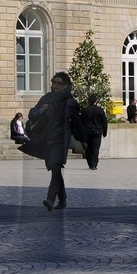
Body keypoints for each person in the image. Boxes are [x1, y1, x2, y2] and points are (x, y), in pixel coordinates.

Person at [21, 71, 83, 211]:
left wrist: (83, 140)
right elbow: (32, 114)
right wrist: (42, 110)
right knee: (55, 169)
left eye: (58, 83)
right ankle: (63, 199)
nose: (55, 85)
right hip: (47, 138)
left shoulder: (70, 102)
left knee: (55, 166)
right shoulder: (46, 98)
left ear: (66, 86)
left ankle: (50, 199)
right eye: (53, 82)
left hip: (61, 139)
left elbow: (77, 123)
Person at [79, 93, 108, 170]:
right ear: (96, 101)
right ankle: (94, 164)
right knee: (95, 148)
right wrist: (105, 132)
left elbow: (80, 122)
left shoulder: (84, 110)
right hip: (97, 132)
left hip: (87, 131)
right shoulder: (100, 110)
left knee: (88, 149)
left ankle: (90, 163)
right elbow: (104, 122)